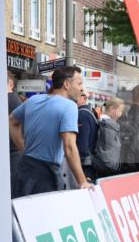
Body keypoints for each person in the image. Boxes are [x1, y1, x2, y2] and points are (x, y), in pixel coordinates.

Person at [9, 65, 92, 195]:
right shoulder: (69, 106)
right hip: (44, 176)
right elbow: (69, 146)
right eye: (79, 83)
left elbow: (11, 121)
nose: (82, 88)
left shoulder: (33, 100)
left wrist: (23, 148)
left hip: (23, 169)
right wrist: (82, 181)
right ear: (67, 84)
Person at [93, 96, 124, 177]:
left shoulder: (107, 124)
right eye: (120, 111)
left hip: (108, 167)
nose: (121, 114)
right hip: (107, 168)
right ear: (112, 108)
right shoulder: (108, 124)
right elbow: (110, 149)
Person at [76, 90, 99, 183]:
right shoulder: (90, 112)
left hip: (84, 166)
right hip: (90, 164)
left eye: (76, 95)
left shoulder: (82, 115)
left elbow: (82, 145)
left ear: (84, 98)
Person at [8, 72, 23, 198]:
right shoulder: (14, 100)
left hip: (13, 153)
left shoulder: (11, 99)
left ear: (11, 84)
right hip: (13, 151)